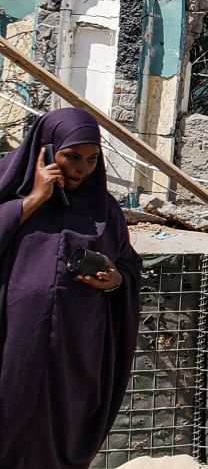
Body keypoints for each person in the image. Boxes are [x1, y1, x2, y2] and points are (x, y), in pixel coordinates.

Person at [0, 107, 141, 468]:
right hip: (14, 342)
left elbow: (127, 263)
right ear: (46, 150)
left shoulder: (104, 210)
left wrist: (116, 279)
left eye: (92, 159)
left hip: (76, 349)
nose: (82, 168)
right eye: (72, 157)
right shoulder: (11, 197)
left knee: (62, 432)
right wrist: (32, 200)